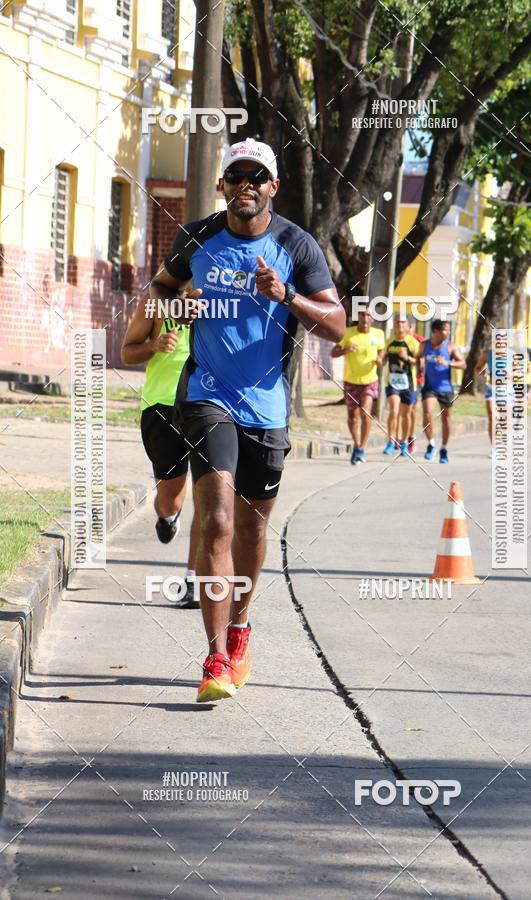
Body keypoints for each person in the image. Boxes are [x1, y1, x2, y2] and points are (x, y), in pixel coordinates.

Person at [150, 138, 344, 702]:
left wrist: (286, 296)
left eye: (258, 176)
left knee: (254, 530)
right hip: (207, 393)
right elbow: (160, 288)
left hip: (267, 405)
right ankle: (213, 660)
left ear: (273, 187)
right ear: (223, 185)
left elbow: (335, 324)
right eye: (237, 175)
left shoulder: (295, 245)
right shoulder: (198, 237)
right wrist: (173, 305)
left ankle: (239, 627)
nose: (247, 185)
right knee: (216, 520)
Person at [121, 302, 201, 609]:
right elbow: (127, 351)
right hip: (162, 407)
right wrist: (154, 345)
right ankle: (167, 516)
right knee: (172, 499)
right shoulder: (156, 304)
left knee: (211, 498)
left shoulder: (226, 302)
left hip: (210, 405)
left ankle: (193, 581)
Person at [331, 309, 385, 464]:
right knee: (353, 417)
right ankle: (356, 445)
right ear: (358, 317)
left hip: (370, 380)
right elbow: (333, 352)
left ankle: (362, 447)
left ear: (372, 319)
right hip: (351, 381)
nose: (365, 317)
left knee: (365, 413)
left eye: (368, 315)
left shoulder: (378, 334)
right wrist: (345, 349)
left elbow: (381, 351)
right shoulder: (348, 333)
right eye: (362, 314)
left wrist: (380, 359)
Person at [417, 319, 466, 463]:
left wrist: (448, 362)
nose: (448, 332)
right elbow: (418, 356)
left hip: (446, 388)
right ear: (436, 331)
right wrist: (419, 365)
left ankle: (444, 448)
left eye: (449, 329)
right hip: (430, 387)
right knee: (427, 414)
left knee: (446, 419)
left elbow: (463, 364)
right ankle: (431, 444)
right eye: (446, 329)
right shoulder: (424, 345)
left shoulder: (450, 347)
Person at [381, 315, 420, 456]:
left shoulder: (413, 343)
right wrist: (381, 359)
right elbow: (382, 358)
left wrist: (407, 358)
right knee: (394, 410)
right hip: (392, 382)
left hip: (408, 384)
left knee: (406, 414)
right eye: (397, 322)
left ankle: (404, 442)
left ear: (408, 325)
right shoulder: (388, 341)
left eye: (402, 322)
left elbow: (420, 362)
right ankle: (391, 442)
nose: (399, 325)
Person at [407, 318, 425, 454]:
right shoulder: (396, 339)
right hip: (399, 380)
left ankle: (411, 438)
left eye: (409, 327)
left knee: (412, 409)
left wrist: (420, 366)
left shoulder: (420, 341)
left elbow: (423, 362)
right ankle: (398, 438)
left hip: (416, 380)